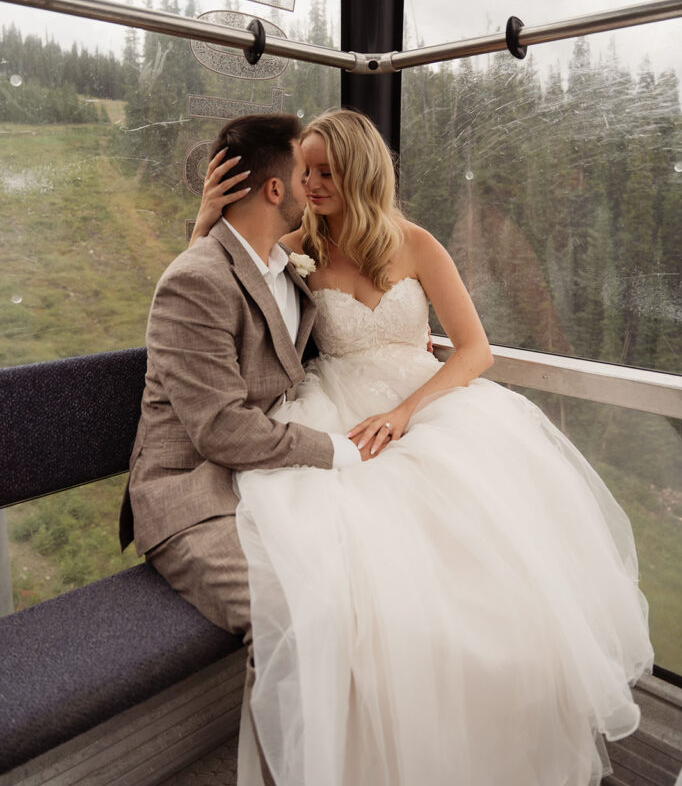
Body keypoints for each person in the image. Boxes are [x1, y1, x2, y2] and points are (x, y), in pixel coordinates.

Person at [191, 108, 653, 786]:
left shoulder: (414, 243)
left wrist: (407, 410)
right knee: (367, 580)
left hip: (424, 403)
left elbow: (474, 350)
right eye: (304, 171)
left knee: (492, 578)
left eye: (326, 171)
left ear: (360, 171)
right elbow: (214, 285)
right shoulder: (295, 247)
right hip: (336, 407)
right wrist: (204, 223)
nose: (310, 183)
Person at [118, 112, 364, 786]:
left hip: (261, 476)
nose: (312, 184)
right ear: (274, 191)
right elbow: (221, 429)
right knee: (291, 610)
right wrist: (334, 451)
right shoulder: (195, 279)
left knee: (367, 576)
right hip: (193, 493)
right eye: (301, 171)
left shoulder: (284, 267)